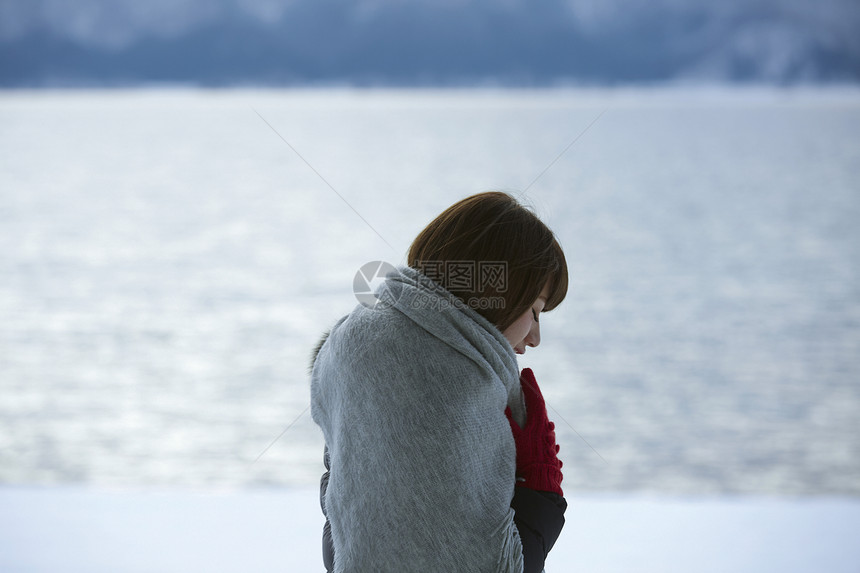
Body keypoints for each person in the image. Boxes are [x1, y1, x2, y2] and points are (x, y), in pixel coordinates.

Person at [309, 191, 568, 572]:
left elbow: (347, 540)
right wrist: (540, 489)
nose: (534, 338)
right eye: (534, 310)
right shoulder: (463, 390)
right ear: (500, 294)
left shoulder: (350, 345)